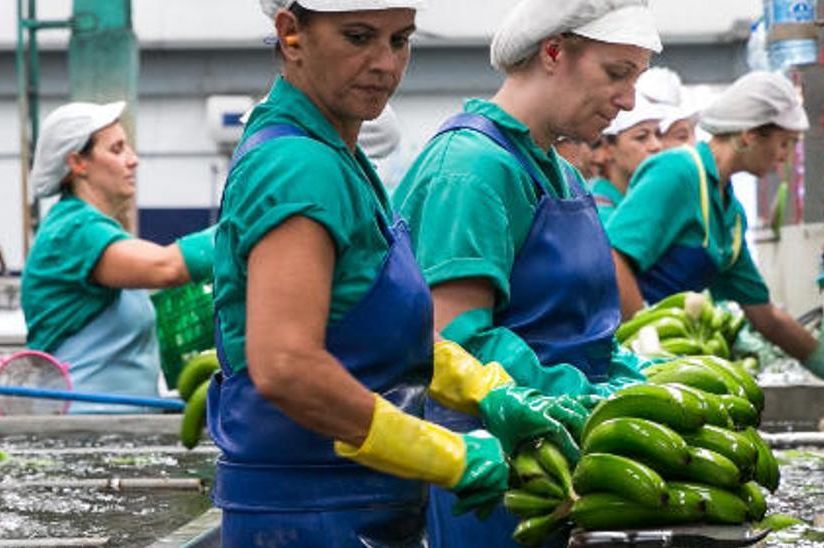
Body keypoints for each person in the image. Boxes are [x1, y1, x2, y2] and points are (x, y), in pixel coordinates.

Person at [208, 2, 587, 545]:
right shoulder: (298, 166)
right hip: (308, 516)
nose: (385, 62)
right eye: (358, 37)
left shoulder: (339, 158)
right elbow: (286, 366)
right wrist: (445, 453)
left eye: (400, 40)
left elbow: (372, 335)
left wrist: (485, 388)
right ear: (291, 34)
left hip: (359, 508)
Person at [392, 0, 661, 544]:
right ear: (555, 52)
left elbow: (575, 330)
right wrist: (578, 395)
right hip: (498, 477)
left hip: (566, 460)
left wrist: (629, 378)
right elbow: (452, 340)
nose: (628, 100)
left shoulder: (561, 173)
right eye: (616, 73)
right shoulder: (471, 170)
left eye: (636, 78)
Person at [605, 70, 824, 378]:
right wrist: (643, 342)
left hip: (665, 359)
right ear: (749, 135)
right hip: (622, 357)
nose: (785, 157)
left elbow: (766, 317)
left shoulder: (731, 216)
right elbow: (612, 257)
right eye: (784, 143)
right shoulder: (678, 170)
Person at [21, 101, 216, 414]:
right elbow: (166, 267)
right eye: (117, 149)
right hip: (81, 435)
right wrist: (248, 223)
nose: (133, 160)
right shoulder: (73, 231)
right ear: (78, 163)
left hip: (121, 427)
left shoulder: (98, 231)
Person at [590, 66, 697, 224]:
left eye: (658, 135)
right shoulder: (593, 207)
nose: (656, 146)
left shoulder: (646, 197)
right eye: (641, 137)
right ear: (608, 148)